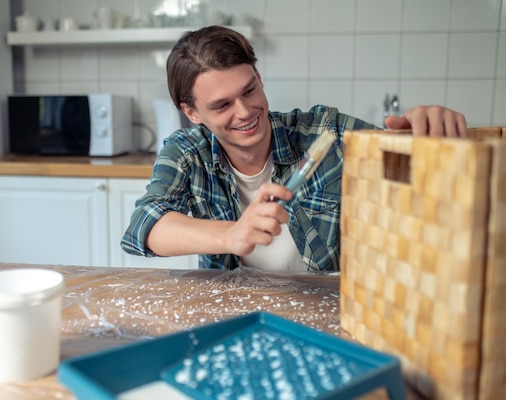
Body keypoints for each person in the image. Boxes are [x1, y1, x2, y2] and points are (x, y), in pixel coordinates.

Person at [121, 25, 467, 272]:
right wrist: (231, 234)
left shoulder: (324, 133)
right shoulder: (186, 152)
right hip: (237, 314)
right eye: (222, 105)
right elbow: (143, 228)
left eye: (249, 91)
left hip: (329, 311)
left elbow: (420, 178)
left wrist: (428, 141)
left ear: (259, 78)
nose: (244, 112)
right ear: (192, 112)